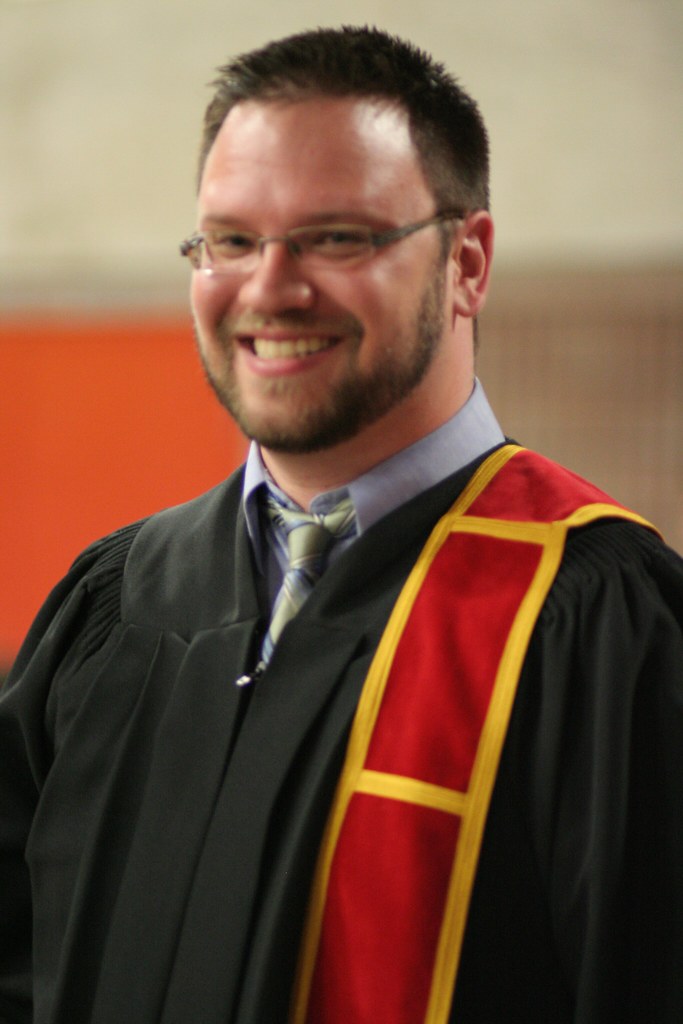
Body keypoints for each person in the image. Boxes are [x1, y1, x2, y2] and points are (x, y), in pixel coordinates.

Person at [1, 25, 682, 1024]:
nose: (270, 287)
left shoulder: (594, 620)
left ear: (466, 261)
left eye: (336, 237)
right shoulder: (115, 606)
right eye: (230, 240)